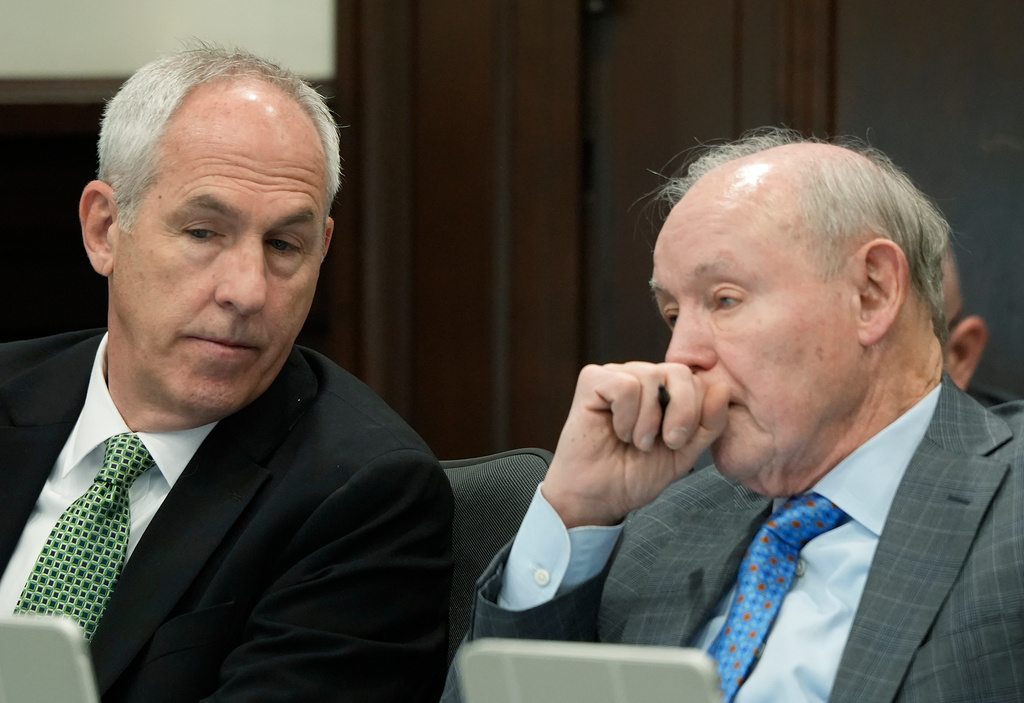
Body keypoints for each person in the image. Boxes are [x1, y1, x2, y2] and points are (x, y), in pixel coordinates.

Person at [443, 128, 1024, 702]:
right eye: (673, 314)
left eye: (725, 299)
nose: (680, 357)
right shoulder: (660, 527)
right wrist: (576, 511)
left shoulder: (1009, 504)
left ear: (870, 291)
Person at [0, 45, 452, 702]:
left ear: (321, 251)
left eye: (283, 245)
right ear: (105, 229)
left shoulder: (363, 494)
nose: (247, 290)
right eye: (205, 232)